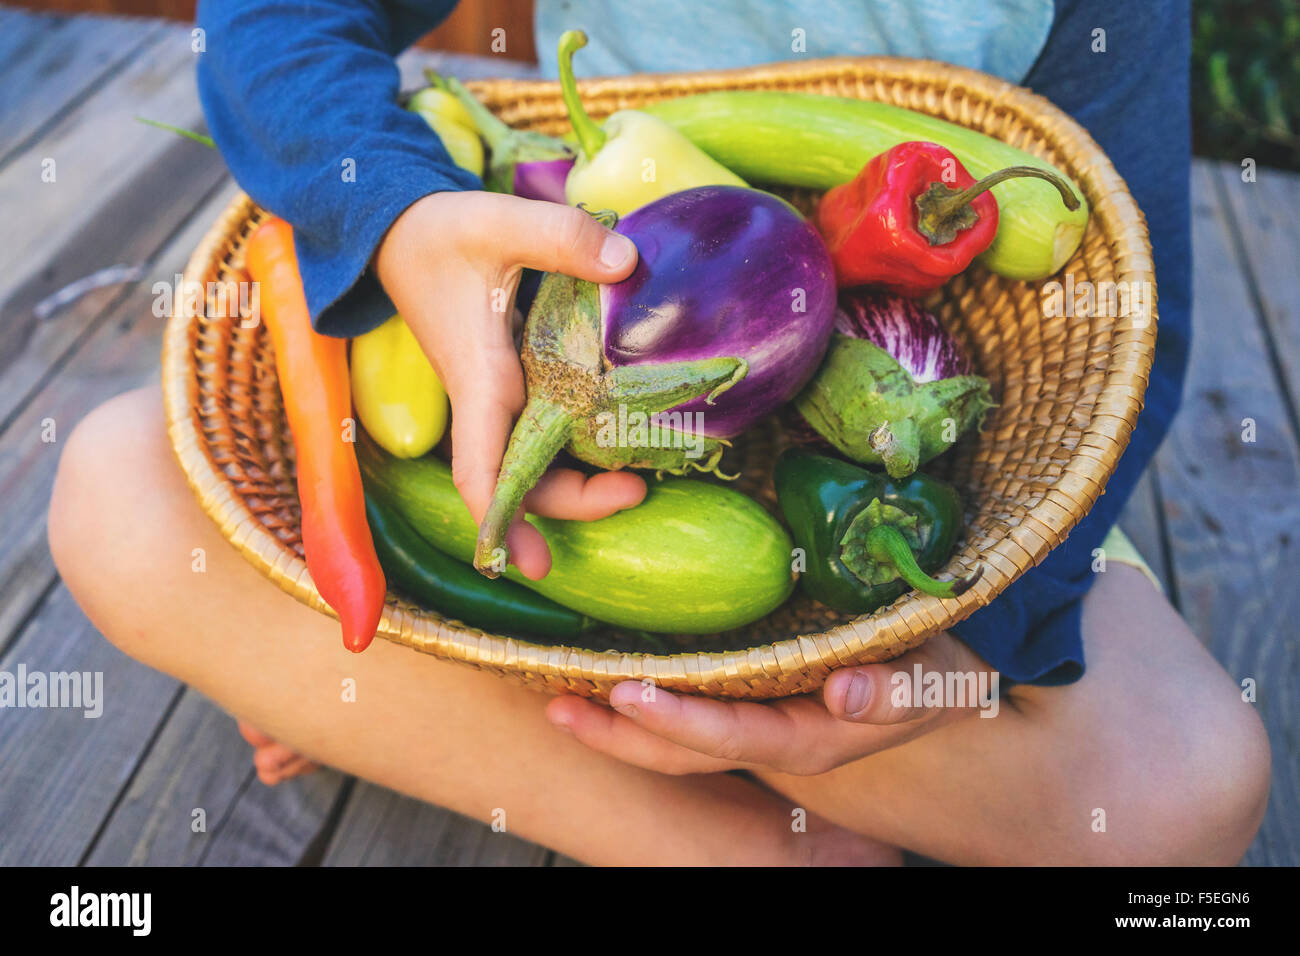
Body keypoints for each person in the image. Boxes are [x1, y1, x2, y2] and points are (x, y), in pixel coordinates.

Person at [49, 0, 1270, 865]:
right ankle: (732, 845)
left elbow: (1132, 307)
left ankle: (437, 703)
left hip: (925, 513)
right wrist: (403, 212)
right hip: (577, 404)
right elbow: (273, 15)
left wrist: (961, 654)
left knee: (1191, 792)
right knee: (110, 492)